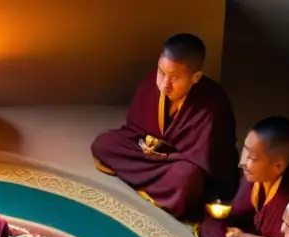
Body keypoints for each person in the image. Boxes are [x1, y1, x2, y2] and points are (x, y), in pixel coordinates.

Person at [90, 33, 238, 220]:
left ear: (196, 77)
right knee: (104, 144)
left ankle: (150, 183)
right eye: (161, 73)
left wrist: (168, 156)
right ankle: (158, 188)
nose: (164, 84)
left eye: (174, 78)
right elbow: (134, 126)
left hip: (180, 163)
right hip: (149, 154)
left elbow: (210, 158)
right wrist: (144, 143)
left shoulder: (214, 102)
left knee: (187, 180)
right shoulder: (153, 82)